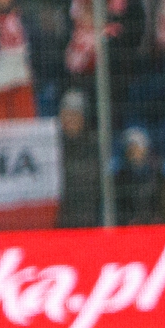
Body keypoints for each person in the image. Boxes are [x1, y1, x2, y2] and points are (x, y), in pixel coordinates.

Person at [57, 90, 101, 228]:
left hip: (87, 221)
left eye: (74, 115)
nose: (69, 120)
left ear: (83, 118)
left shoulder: (94, 145)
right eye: (66, 115)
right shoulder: (53, 145)